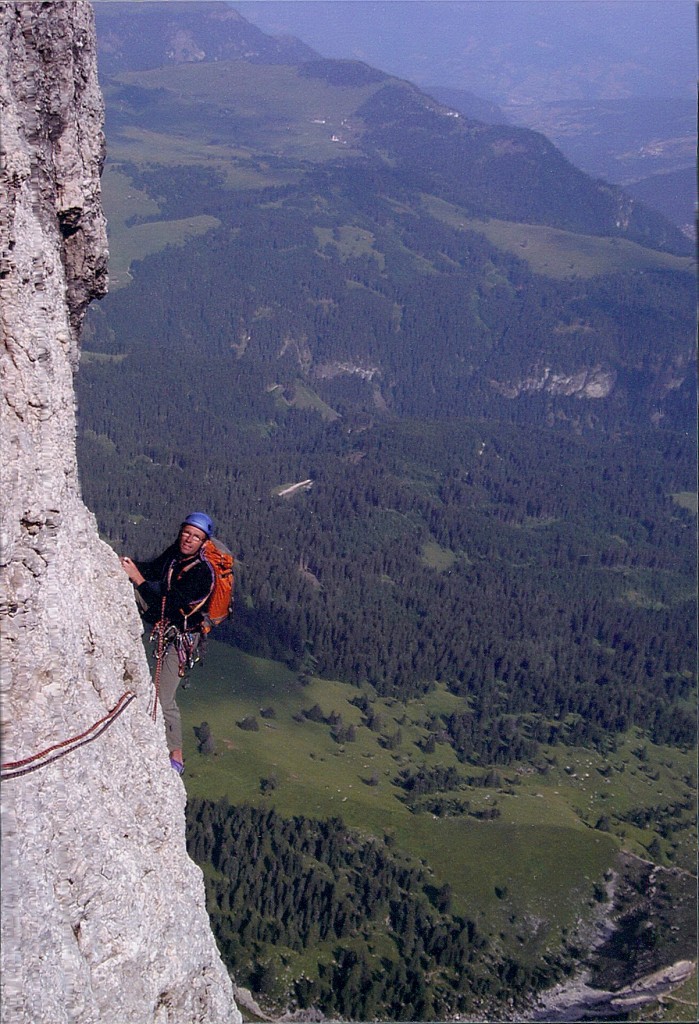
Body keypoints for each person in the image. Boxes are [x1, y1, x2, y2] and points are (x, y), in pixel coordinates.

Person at [120, 513, 216, 775]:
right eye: (186, 533)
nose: (188, 539)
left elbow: (171, 601)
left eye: (195, 537)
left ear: (203, 543)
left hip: (183, 636)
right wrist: (127, 565)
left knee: (163, 696)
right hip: (164, 620)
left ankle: (176, 753)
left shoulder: (202, 573)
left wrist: (137, 580)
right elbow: (152, 570)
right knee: (123, 592)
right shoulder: (175, 555)